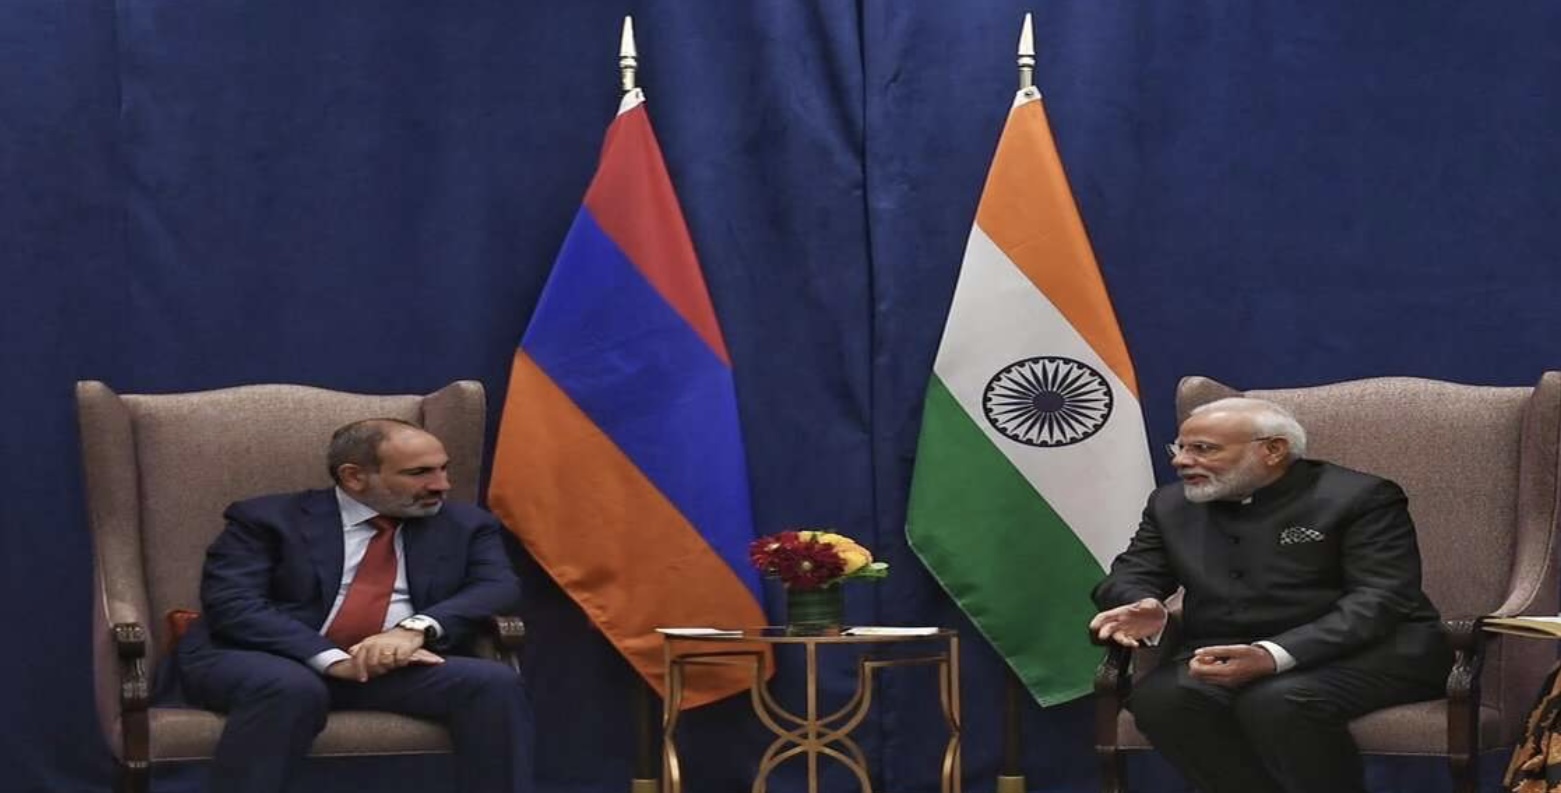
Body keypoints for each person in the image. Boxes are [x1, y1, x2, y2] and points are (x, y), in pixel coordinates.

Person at [1089, 397, 1452, 793]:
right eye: (1179, 447)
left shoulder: (1360, 497)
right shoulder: (1170, 503)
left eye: (1203, 449)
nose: (1181, 461)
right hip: (1225, 650)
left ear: (1273, 450)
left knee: (1277, 701)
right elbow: (1130, 573)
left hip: (1368, 652)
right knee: (1162, 700)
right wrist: (1144, 603)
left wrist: (1271, 655)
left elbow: (1381, 598)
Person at [176, 418, 531, 793]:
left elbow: (497, 586)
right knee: (291, 688)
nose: (441, 485)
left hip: (391, 665)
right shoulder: (266, 520)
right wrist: (332, 659)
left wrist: (413, 630)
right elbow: (234, 605)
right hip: (271, 658)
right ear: (354, 477)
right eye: (419, 473)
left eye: (443, 469)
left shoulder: (466, 524)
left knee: (494, 683)